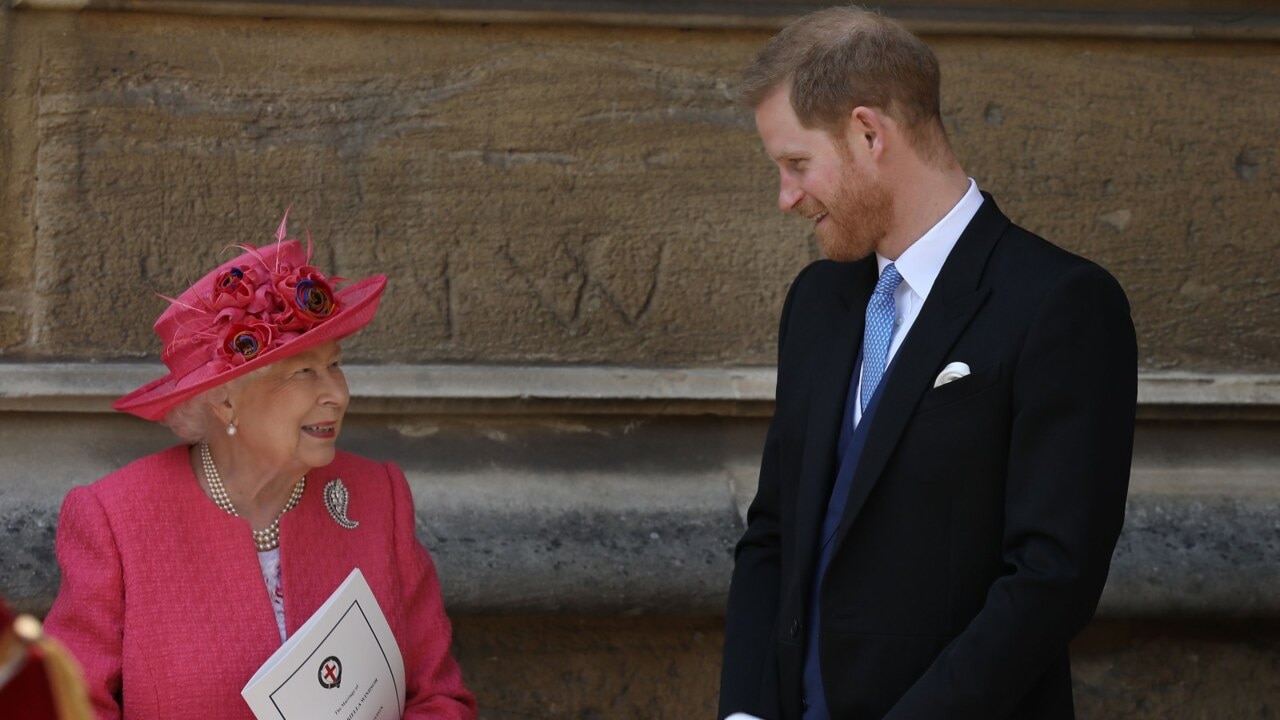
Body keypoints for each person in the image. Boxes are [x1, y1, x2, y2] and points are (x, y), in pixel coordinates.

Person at [718, 7, 1137, 720]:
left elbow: (1050, 578)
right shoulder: (818, 301)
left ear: (869, 132)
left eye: (796, 165)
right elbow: (774, 535)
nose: (786, 198)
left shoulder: (1060, 304)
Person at [44, 214, 477, 719]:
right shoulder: (115, 521)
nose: (336, 394)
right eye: (304, 373)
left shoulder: (378, 496)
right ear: (225, 403)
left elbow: (441, 699)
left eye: (335, 364)